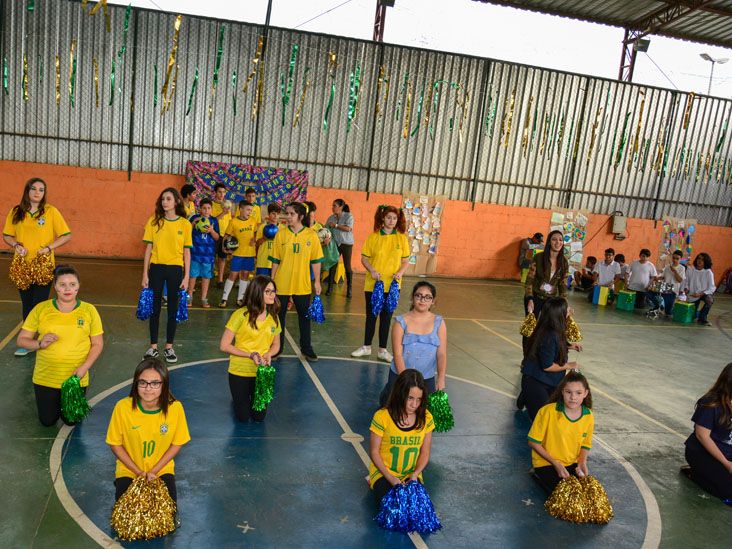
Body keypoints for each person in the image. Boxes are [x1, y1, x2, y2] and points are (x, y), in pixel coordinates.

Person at [16, 265, 104, 427]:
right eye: (62, 284)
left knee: (71, 421)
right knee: (47, 421)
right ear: (55, 286)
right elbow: (22, 340)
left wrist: (85, 367)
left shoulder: (89, 310)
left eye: (72, 284)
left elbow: (97, 344)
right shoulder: (41, 309)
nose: (67, 289)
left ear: (78, 286)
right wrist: (39, 343)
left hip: (76, 377)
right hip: (46, 377)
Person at [106, 358, 190, 507]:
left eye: (155, 383)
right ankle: (121, 482)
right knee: (126, 512)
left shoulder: (175, 408)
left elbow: (177, 443)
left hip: (161, 469)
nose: (148, 388)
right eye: (143, 382)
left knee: (168, 509)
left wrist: (154, 471)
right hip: (129, 469)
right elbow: (115, 444)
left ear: (164, 384)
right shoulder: (122, 407)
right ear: (136, 384)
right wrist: (138, 472)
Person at [3, 178, 72, 357]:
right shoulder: (16, 212)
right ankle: (29, 343)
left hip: (43, 266)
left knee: (39, 304)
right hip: (22, 266)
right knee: (27, 304)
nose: (37, 193)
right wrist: (15, 245)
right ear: (27, 191)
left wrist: (49, 248)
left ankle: (40, 340)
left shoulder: (50, 212)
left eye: (41, 190)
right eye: (33, 189)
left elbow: (66, 235)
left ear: (44, 193)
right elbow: (7, 235)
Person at [219, 276, 281, 422]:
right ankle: (238, 400)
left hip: (262, 373)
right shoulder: (240, 315)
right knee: (243, 417)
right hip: (239, 371)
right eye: (268, 291)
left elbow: (276, 345)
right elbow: (224, 345)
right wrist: (249, 355)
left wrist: (269, 354)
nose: (272, 295)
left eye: (273, 291)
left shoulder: (273, 317)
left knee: (259, 417)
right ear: (257, 292)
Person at [368, 369, 435, 505]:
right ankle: (372, 479)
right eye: (410, 398)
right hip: (385, 474)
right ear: (400, 394)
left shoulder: (426, 417)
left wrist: (416, 474)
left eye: (419, 399)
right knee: (394, 505)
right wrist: (391, 478)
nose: (414, 405)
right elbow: (374, 452)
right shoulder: (382, 417)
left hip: (411, 475)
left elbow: (425, 452)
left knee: (417, 507)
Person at [352, 205, 409, 362]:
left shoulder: (402, 238)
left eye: (394, 218)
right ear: (383, 218)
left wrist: (400, 273)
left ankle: (383, 350)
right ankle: (366, 347)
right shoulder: (373, 237)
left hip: (392, 286)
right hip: (374, 285)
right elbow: (364, 258)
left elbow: (405, 260)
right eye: (389, 217)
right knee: (371, 316)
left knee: (386, 317)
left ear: (398, 221)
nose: (391, 221)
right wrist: (372, 270)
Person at [141, 187, 192, 364]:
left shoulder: (185, 224)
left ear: (176, 201)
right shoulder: (154, 222)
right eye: (163, 199)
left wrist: (186, 277)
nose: (164, 202)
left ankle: (169, 347)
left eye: (168, 199)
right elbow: (148, 249)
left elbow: (187, 253)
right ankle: (153, 347)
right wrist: (145, 274)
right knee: (154, 308)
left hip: (175, 270)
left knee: (172, 309)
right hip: (156, 268)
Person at [269, 202, 324, 361]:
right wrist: (272, 281)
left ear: (300, 216)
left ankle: (306, 349)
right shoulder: (281, 234)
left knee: (304, 317)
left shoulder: (311, 235)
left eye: (292, 214)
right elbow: (275, 260)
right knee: (279, 318)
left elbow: (316, 261)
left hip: (302, 284)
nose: (288, 217)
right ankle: (277, 349)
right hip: (282, 283)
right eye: (287, 213)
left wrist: (317, 282)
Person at [378, 281, 446, 407]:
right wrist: (406, 381)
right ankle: (388, 393)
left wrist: (441, 378)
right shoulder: (400, 322)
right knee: (393, 410)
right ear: (412, 298)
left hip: (426, 377)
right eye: (418, 295)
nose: (422, 300)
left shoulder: (439, 323)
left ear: (433, 301)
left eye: (428, 297)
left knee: (424, 414)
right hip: (401, 375)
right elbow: (398, 355)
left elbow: (441, 354)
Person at [527, 371, 594, 494]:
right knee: (566, 496)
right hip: (546, 463)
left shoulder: (588, 415)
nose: (573, 397)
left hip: (571, 463)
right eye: (569, 392)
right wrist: (555, 463)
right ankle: (537, 473)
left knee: (590, 494)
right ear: (562, 392)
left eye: (578, 393)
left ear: (585, 393)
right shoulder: (548, 411)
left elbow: (585, 443)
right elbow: (533, 442)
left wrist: (582, 462)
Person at [517, 297, 582, 422]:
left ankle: (526, 395)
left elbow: (555, 344)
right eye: (566, 309)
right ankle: (528, 393)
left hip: (549, 380)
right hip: (537, 380)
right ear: (559, 314)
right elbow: (547, 366)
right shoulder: (550, 335)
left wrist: (569, 345)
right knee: (542, 420)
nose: (569, 310)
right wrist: (569, 365)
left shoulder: (551, 328)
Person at [683, 362, 732, 500]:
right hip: (704, 453)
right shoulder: (711, 403)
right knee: (729, 490)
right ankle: (695, 474)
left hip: (728, 453)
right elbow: (702, 435)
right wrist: (727, 463)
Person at [220, 201, 258, 308]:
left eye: (251, 210)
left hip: (249, 253)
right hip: (237, 253)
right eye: (248, 210)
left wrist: (254, 240)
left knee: (245, 275)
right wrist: (224, 247)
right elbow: (226, 236)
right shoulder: (233, 222)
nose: (250, 212)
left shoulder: (253, 221)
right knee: (233, 275)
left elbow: (255, 233)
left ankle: (240, 298)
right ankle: (224, 298)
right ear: (240, 209)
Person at [524, 230, 568, 318]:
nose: (557, 242)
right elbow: (529, 281)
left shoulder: (564, 262)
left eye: (560, 240)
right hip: (534, 297)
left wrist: (565, 305)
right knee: (531, 329)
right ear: (549, 242)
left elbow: (563, 285)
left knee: (547, 329)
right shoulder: (538, 258)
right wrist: (530, 299)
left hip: (550, 300)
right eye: (554, 240)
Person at [187, 198, 220, 308]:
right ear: (200, 209)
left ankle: (204, 298)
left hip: (208, 255)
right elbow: (186, 233)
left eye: (208, 208)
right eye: (204, 208)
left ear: (211, 209)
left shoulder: (214, 221)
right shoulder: (194, 219)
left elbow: (217, 238)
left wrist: (212, 231)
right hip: (195, 254)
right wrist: (192, 224)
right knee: (192, 276)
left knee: (206, 277)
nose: (206, 210)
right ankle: (189, 297)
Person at [325, 198, 355, 298]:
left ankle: (349, 289)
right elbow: (326, 229)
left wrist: (336, 225)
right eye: (332, 206)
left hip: (346, 244)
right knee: (333, 264)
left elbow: (349, 228)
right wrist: (327, 237)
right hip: (335, 244)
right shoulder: (331, 218)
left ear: (341, 207)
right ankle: (329, 288)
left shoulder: (348, 216)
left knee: (347, 266)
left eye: (335, 206)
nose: (332, 208)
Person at [684, 252, 716, 327]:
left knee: (710, 300)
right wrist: (686, 289)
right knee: (692, 317)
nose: (700, 261)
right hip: (692, 294)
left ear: (706, 262)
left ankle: (702, 318)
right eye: (698, 258)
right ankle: (698, 314)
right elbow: (686, 282)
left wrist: (700, 294)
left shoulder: (708, 272)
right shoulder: (690, 270)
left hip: (703, 294)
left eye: (702, 259)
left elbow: (712, 287)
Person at [211, 184, 233, 289]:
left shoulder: (228, 204)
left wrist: (230, 234)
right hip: (214, 235)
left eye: (223, 192)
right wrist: (223, 213)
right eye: (219, 192)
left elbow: (229, 221)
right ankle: (208, 277)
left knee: (223, 258)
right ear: (215, 193)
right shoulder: (211, 204)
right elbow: (212, 221)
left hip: (225, 235)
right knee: (211, 257)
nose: (222, 194)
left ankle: (220, 280)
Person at [255, 203, 282, 278]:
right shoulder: (262, 227)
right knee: (261, 284)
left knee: (275, 284)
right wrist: (264, 238)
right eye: (273, 213)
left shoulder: (282, 229)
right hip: (263, 261)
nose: (276, 216)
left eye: (278, 214)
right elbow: (257, 243)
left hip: (277, 262)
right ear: (269, 214)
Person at [660, 250, 686, 317]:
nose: (675, 260)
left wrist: (675, 271)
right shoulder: (667, 267)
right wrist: (658, 278)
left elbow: (680, 280)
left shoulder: (682, 268)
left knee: (668, 312)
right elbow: (663, 277)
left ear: (680, 259)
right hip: (664, 289)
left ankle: (670, 310)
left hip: (673, 291)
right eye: (673, 258)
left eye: (677, 258)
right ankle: (660, 308)